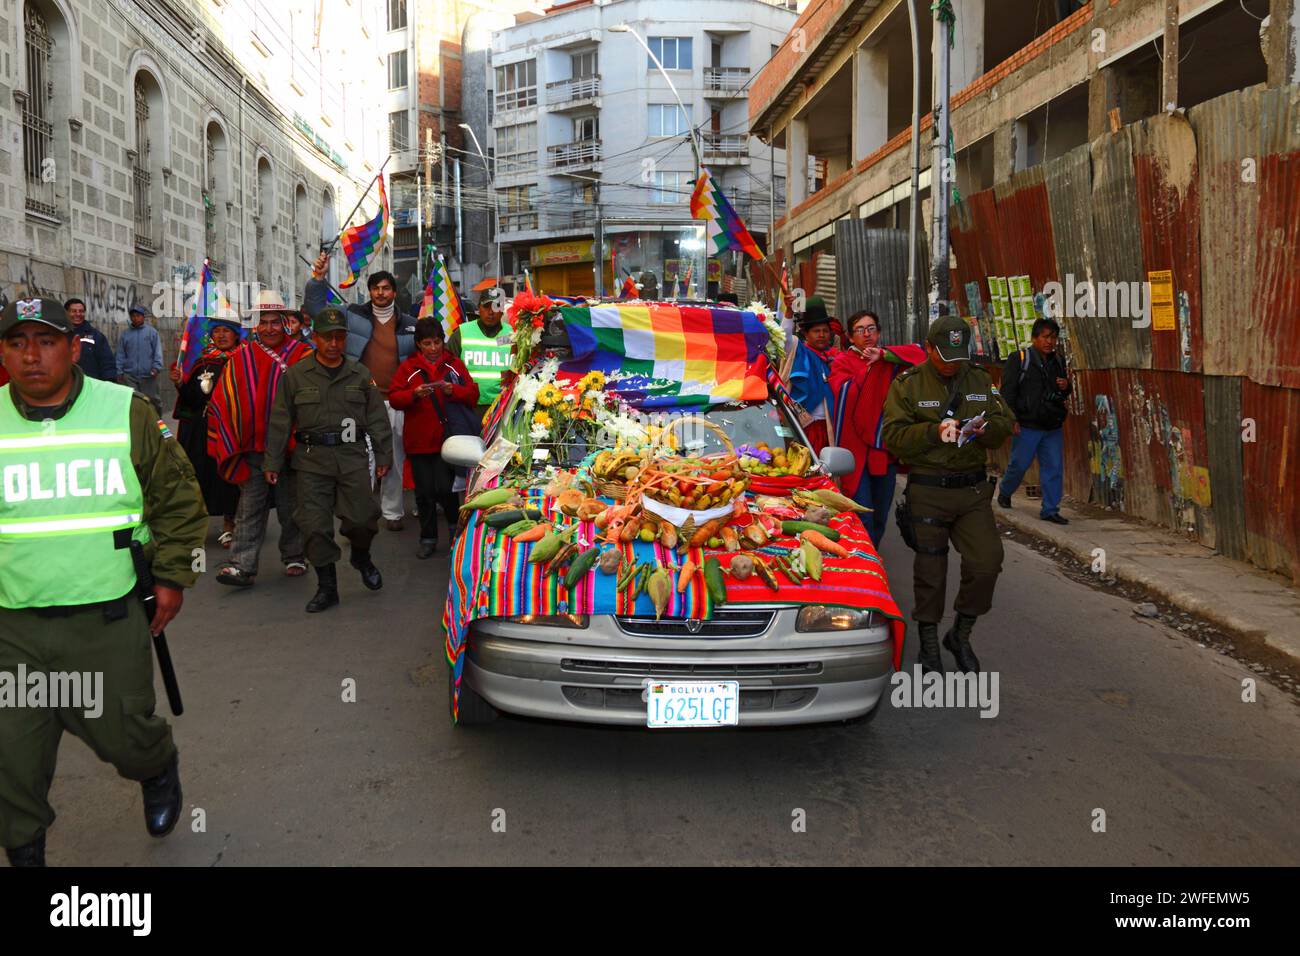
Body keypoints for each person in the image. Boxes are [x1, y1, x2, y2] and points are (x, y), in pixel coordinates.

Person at [0, 297, 207, 867]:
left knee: (124, 736)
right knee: (11, 758)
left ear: (73, 348)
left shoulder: (127, 411)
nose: (31, 356)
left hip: (108, 617)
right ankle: (24, 851)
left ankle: (156, 766)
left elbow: (178, 497)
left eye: (45, 342)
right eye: (17, 343)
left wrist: (174, 576)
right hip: (12, 626)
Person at [881, 314, 1015, 675]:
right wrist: (930, 432)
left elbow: (1005, 422)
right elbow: (891, 435)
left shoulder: (979, 379)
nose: (951, 364)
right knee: (931, 571)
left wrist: (984, 430)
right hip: (928, 487)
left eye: (958, 356)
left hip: (971, 488)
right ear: (928, 349)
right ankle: (928, 643)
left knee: (987, 561)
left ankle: (960, 633)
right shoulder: (908, 384)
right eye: (944, 356)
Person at [264, 308, 393, 612]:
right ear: (315, 338)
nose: (334, 343)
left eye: (339, 337)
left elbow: (376, 418)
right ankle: (327, 586)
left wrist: (384, 453)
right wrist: (272, 461)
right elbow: (281, 420)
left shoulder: (359, 374)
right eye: (327, 337)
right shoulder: (296, 375)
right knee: (314, 526)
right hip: (311, 460)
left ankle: (361, 556)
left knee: (363, 518)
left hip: (352, 457)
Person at [207, 290, 313, 586]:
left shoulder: (302, 356)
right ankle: (241, 564)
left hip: (290, 448)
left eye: (274, 322)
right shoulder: (241, 357)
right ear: (256, 324)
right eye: (263, 322)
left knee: (290, 506)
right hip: (253, 445)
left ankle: (294, 555)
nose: (269, 328)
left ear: (285, 323)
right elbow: (225, 397)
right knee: (249, 507)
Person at [828, 310, 925, 546]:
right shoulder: (843, 361)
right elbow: (844, 395)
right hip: (856, 451)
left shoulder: (887, 358)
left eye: (871, 328)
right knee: (862, 514)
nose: (867, 334)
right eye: (860, 330)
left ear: (879, 332)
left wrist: (883, 357)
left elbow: (921, 355)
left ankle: (873, 556)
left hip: (882, 449)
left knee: (881, 515)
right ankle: (865, 568)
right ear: (850, 338)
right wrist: (871, 370)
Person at [389, 317, 479, 558]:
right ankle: (427, 538)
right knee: (424, 493)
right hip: (418, 442)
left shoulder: (454, 365)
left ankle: (454, 533)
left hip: (448, 442)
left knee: (446, 489)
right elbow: (395, 398)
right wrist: (414, 395)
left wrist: (454, 391)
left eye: (437, 342)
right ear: (418, 344)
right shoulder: (408, 368)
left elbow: (473, 394)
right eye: (427, 343)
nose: (433, 348)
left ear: (443, 341)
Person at [168, 312, 242, 547]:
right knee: (199, 476)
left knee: (228, 475)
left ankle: (230, 523)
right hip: (202, 430)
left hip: (230, 431)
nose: (220, 336)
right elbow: (191, 399)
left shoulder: (243, 361)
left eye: (226, 331)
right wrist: (180, 382)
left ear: (236, 335)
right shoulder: (203, 363)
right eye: (216, 331)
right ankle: (196, 525)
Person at [997, 318, 1072, 525]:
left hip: (1051, 424)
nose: (1050, 341)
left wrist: (1066, 386)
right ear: (1034, 338)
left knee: (1054, 467)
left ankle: (1050, 509)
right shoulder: (1019, 359)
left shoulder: (1058, 360)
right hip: (1027, 424)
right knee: (1019, 464)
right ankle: (1005, 490)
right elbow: (1008, 392)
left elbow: (1064, 392)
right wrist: (1012, 419)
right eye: (1045, 337)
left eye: (1053, 337)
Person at [448, 289, 511, 424]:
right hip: (470, 409)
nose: (491, 312)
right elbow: (447, 368)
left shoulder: (513, 335)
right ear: (478, 308)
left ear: (502, 310)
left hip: (504, 408)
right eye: (486, 306)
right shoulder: (462, 333)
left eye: (496, 307)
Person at [787, 297, 839, 454]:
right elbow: (785, 339)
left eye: (825, 331)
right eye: (816, 331)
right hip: (807, 426)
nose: (822, 335)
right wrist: (789, 312)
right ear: (806, 334)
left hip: (831, 427)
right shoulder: (798, 351)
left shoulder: (835, 358)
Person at [116, 304, 164, 411]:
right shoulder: (125, 335)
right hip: (130, 376)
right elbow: (120, 354)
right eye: (133, 316)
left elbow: (157, 352)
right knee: (134, 402)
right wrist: (119, 371)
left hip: (148, 375)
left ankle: (157, 424)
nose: (135, 318)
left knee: (153, 401)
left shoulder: (152, 333)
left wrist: (156, 367)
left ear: (143, 317)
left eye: (138, 315)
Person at [65, 298, 117, 381]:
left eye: (81, 311)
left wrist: (110, 381)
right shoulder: (59, 334)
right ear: (66, 313)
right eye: (74, 311)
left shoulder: (96, 336)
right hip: (64, 386)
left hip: (89, 386)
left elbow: (107, 363)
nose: (78, 314)